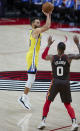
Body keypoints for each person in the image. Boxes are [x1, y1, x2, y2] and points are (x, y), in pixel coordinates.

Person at [38, 35, 80, 131]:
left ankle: (43, 121)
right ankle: (74, 123)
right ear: (64, 49)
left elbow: (43, 56)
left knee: (48, 102)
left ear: (57, 49)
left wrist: (48, 45)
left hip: (55, 82)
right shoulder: (69, 57)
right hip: (65, 83)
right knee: (67, 104)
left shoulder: (53, 57)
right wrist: (77, 43)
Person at [18, 11, 52, 110]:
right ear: (32, 24)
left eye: (39, 22)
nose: (39, 24)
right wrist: (48, 15)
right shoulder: (35, 31)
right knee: (31, 78)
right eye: (37, 23)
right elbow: (47, 26)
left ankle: (24, 97)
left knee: (32, 79)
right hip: (32, 56)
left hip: (32, 56)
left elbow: (46, 26)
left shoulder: (33, 31)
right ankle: (23, 97)